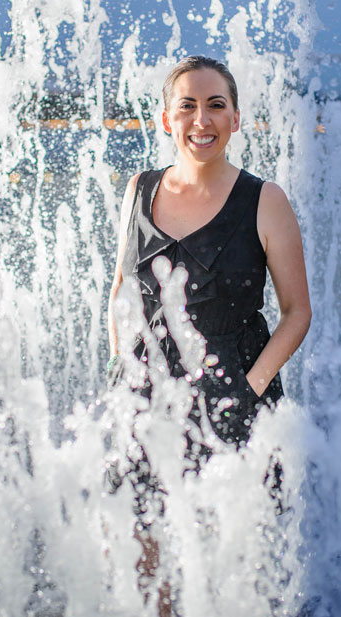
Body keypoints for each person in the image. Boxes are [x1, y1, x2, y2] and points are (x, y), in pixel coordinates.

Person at [107, 56, 311, 615]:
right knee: (149, 567)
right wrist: (123, 369)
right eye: (188, 106)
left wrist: (248, 388)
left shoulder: (264, 200)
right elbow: (121, 288)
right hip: (147, 402)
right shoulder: (138, 189)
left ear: (236, 117)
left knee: (236, 571)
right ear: (167, 119)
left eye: (216, 104)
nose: (203, 119)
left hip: (236, 401)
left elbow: (297, 312)